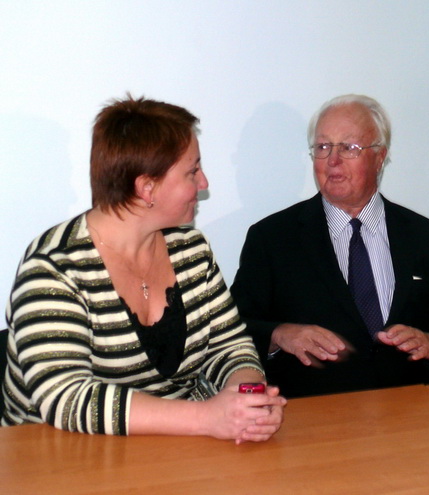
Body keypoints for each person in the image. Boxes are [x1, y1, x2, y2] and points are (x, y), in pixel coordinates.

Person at [1, 95, 286, 442]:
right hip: (58, 457)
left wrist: (248, 399)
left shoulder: (191, 249)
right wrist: (206, 418)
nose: (204, 183)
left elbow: (229, 347)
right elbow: (66, 397)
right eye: (192, 171)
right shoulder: (54, 268)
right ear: (146, 187)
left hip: (173, 452)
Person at [231, 94, 429, 397]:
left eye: (348, 147)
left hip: (410, 410)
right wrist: (279, 334)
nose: (332, 160)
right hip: (315, 413)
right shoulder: (272, 238)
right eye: (323, 147)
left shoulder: (427, 238)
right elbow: (234, 331)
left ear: (380, 157)